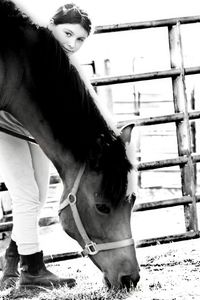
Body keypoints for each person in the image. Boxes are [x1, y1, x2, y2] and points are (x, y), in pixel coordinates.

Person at [0, 3, 92, 289]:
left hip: (31, 131)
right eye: (67, 33)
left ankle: (12, 263)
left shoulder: (62, 64)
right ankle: (33, 270)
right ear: (51, 25)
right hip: (2, 126)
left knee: (38, 198)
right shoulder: (26, 45)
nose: (72, 43)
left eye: (79, 39)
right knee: (26, 196)